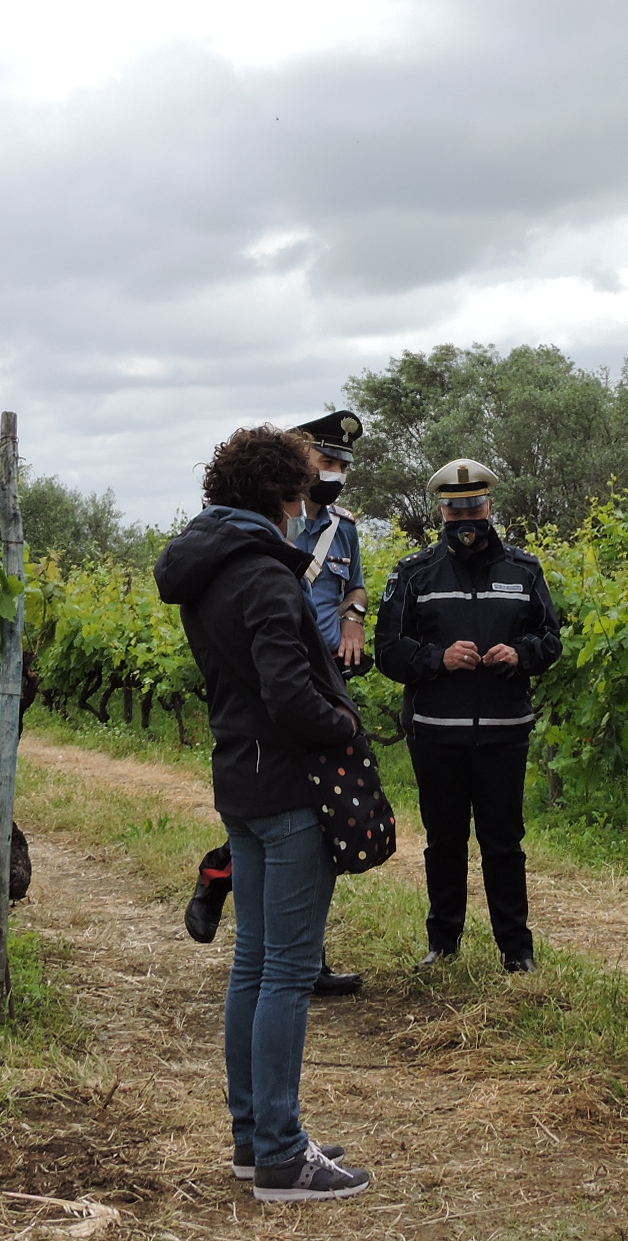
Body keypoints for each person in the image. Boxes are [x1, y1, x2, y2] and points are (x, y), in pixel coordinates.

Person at [153, 424, 375, 1202]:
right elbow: (290, 694)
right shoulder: (269, 578)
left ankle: (255, 1139)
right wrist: (344, 722)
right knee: (285, 971)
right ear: (285, 497)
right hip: (287, 787)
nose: (307, 508)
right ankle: (281, 1154)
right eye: (305, 494)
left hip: (239, 780)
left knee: (253, 965)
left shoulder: (208, 568)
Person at [184, 411, 370, 996]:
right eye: (326, 463)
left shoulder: (342, 528)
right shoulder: (259, 540)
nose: (334, 474)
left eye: (343, 466)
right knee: (291, 819)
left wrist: (355, 620)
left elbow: (355, 587)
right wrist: (336, 725)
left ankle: (305, 957)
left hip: (319, 673)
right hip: (278, 686)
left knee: (314, 823)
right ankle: (230, 884)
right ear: (298, 468)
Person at [376, 458, 561, 972]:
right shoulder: (413, 574)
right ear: (440, 513)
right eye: (454, 511)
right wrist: (437, 659)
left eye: (473, 507)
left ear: (490, 506)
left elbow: (551, 641)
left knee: (504, 843)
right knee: (444, 842)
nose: (465, 520)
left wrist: (520, 654)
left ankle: (516, 951)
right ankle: (444, 945)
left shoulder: (524, 570)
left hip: (505, 733)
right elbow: (387, 650)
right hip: (436, 735)